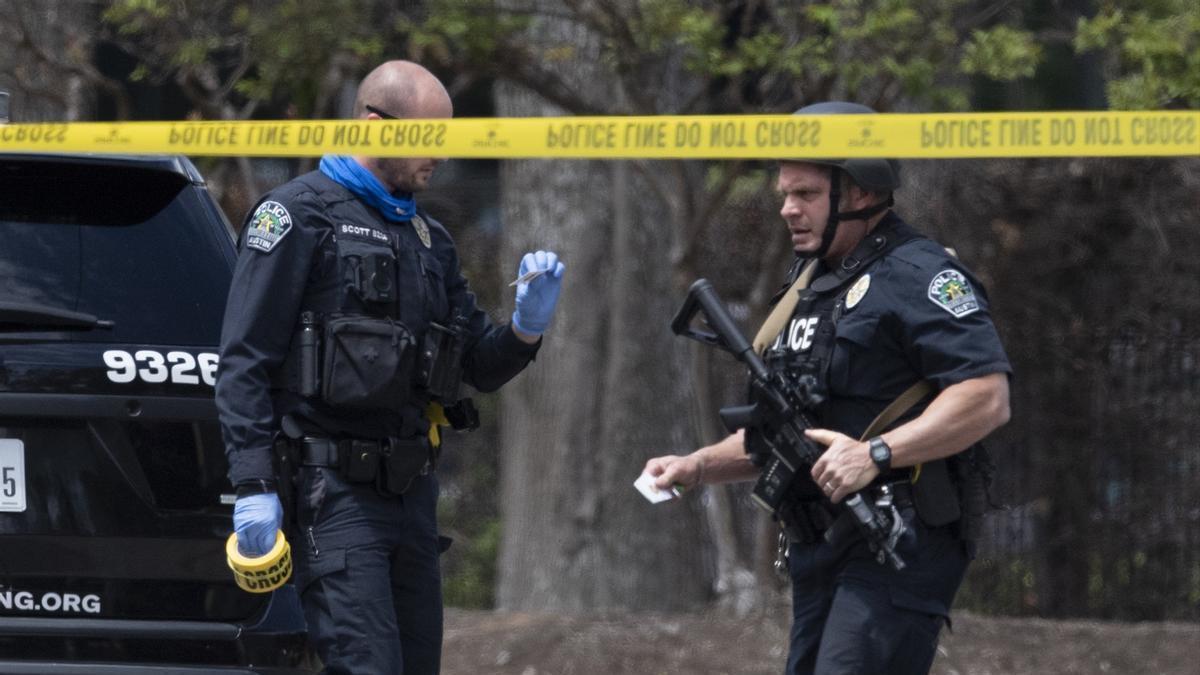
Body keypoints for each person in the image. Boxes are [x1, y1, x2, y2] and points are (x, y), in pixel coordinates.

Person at [215, 60, 565, 674]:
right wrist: (253, 487)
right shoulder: (297, 217)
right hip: (333, 495)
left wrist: (524, 328)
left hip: (412, 501)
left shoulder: (428, 240)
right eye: (430, 139)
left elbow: (477, 366)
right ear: (376, 125)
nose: (441, 158)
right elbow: (244, 361)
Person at [645, 101, 1011, 674]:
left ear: (861, 192)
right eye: (784, 194)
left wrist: (877, 454)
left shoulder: (919, 276)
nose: (788, 210)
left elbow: (985, 396)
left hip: (898, 538)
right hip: (821, 544)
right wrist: (695, 466)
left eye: (807, 195)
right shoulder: (808, 289)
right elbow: (787, 435)